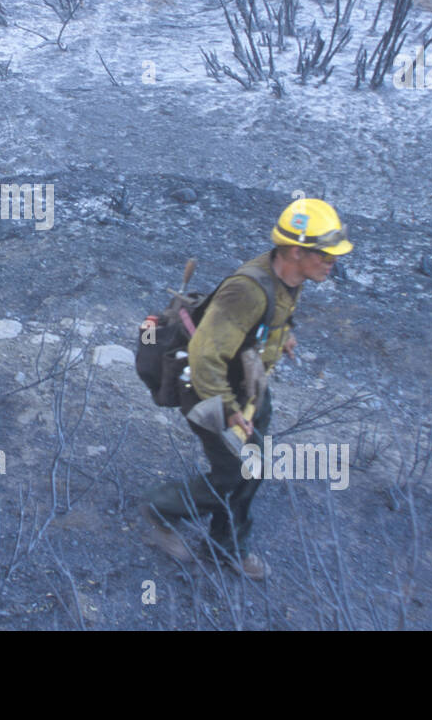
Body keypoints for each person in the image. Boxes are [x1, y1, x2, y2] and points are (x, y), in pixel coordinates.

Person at [139, 198, 354, 580]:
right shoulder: (247, 290)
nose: (331, 262)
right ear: (295, 250)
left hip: (249, 386)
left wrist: (281, 337)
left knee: (252, 469)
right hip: (209, 389)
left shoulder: (289, 276)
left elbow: (269, 317)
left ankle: (226, 548)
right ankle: (162, 509)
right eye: (324, 254)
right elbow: (205, 355)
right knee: (233, 473)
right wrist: (226, 409)